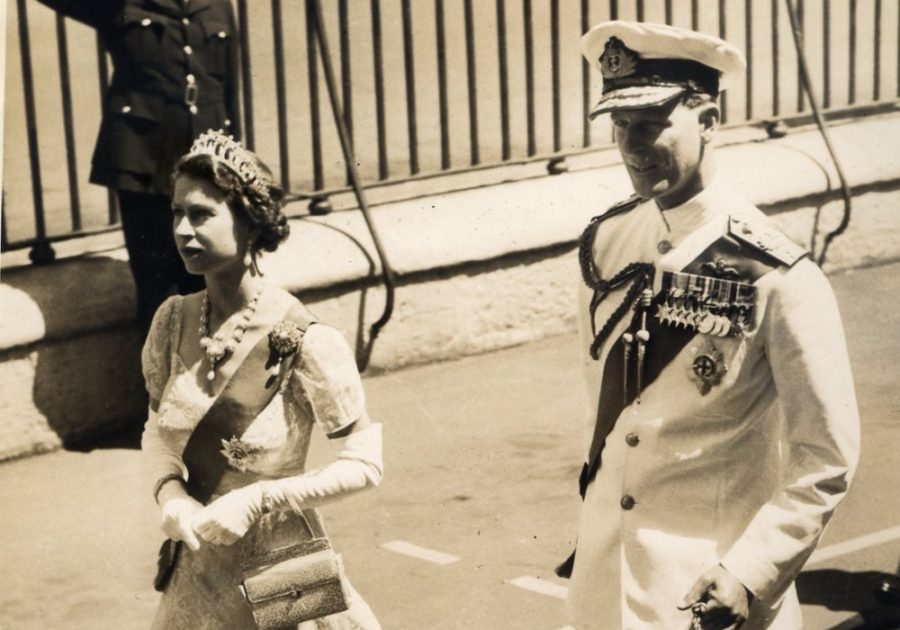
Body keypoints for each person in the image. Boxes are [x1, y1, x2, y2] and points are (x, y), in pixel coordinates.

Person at [559, 21, 860, 630]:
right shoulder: (609, 241)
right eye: (621, 126)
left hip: (709, 589)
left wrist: (753, 571)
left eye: (652, 123)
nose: (633, 147)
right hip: (603, 583)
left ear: (709, 120)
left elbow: (826, 455)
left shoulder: (778, 272)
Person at [141, 129, 383, 629]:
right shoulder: (171, 322)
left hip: (282, 571)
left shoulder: (305, 339)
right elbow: (156, 431)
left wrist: (256, 499)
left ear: (250, 223)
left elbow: (366, 464)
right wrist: (171, 493)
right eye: (176, 212)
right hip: (199, 567)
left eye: (202, 214)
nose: (183, 230)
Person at [34, 0, 241, 332]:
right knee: (157, 290)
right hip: (142, 160)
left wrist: (231, 160)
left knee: (210, 286)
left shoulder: (216, 5)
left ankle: (209, 380)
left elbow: (228, 88)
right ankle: (158, 382)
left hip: (205, 160)